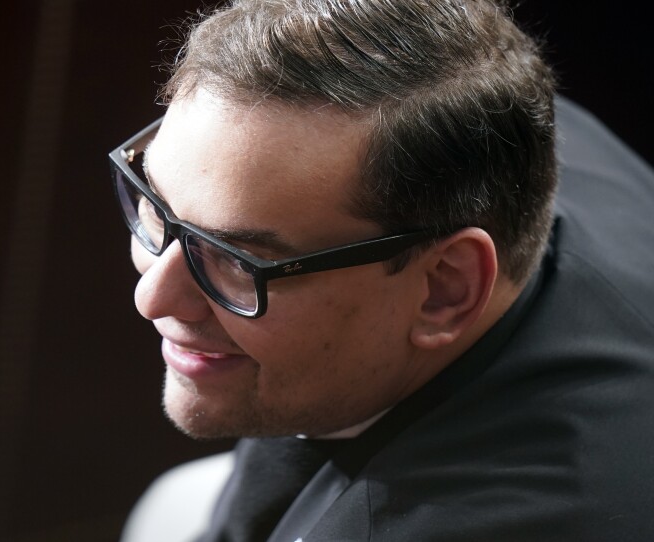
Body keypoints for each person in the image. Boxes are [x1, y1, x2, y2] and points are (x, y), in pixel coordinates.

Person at [108, 0, 654, 540]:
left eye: (237, 258)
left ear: (445, 289)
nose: (152, 298)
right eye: (157, 207)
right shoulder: (505, 139)